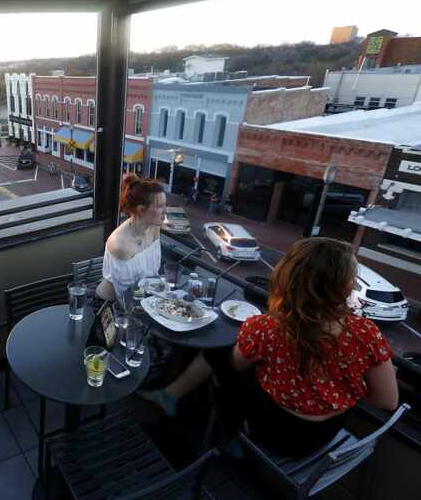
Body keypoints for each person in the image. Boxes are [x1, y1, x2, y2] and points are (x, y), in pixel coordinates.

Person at [140, 238, 399, 457]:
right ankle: (175, 399)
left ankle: (186, 406)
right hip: (323, 436)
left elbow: (236, 366)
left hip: (269, 433)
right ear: (344, 287)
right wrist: (335, 388)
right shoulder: (366, 334)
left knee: (219, 357)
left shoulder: (267, 327)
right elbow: (388, 400)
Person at [96, 174, 166, 302]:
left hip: (142, 298)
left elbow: (151, 276)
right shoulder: (120, 245)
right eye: (160, 206)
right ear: (141, 210)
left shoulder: (154, 228)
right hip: (111, 305)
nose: (165, 211)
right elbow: (125, 295)